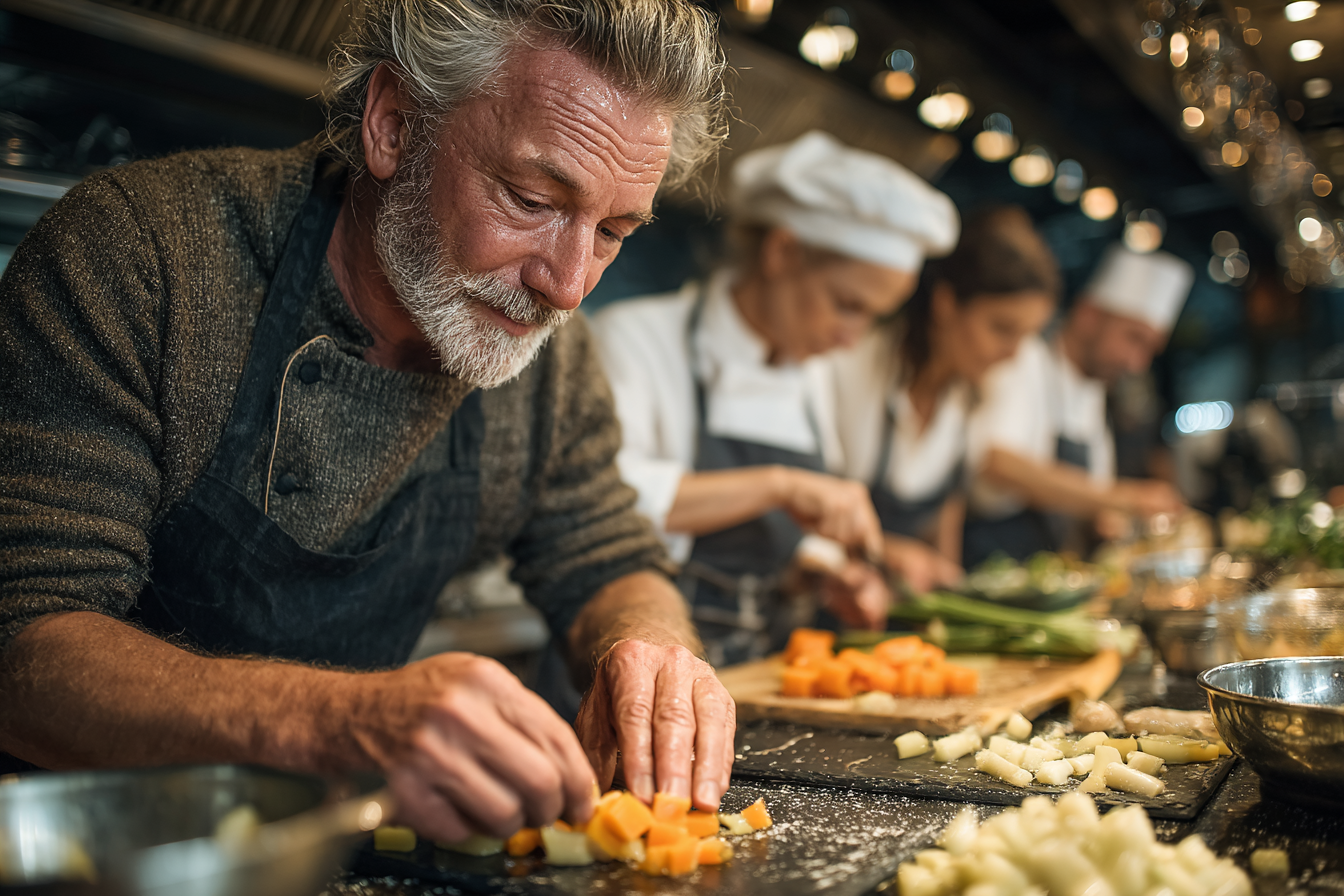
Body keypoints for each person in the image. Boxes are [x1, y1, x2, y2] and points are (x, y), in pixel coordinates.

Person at [0, 0, 737, 843]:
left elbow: (603, 551)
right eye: (532, 199)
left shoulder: (548, 356)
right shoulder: (146, 255)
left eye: (611, 231)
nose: (567, 286)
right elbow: (24, 648)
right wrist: (343, 722)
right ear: (392, 125)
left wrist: (649, 652)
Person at [591, 131, 958, 666]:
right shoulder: (637, 338)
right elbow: (606, 501)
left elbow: (763, 544)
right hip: (632, 663)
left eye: (871, 317)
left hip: (757, 675)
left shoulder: (813, 376)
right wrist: (779, 486)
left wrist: (818, 569)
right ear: (782, 251)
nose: (851, 339)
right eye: (847, 305)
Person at [829, 206, 1060, 578]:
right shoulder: (853, 369)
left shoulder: (968, 398)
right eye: (1002, 329)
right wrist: (887, 551)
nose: (1014, 354)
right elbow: (802, 521)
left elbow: (945, 513)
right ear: (946, 303)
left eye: (1025, 336)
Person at [962, 243, 1193, 566]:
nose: (1137, 364)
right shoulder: (1022, 357)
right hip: (991, 568)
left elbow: (1088, 501)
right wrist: (1126, 498)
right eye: (1133, 338)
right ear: (1089, 315)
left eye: (1149, 350)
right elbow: (997, 463)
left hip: (1051, 575)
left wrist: (1110, 519)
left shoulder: (1094, 394)